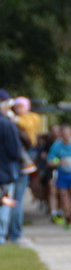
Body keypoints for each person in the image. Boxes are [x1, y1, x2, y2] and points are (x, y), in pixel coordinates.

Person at [47, 121, 71, 227]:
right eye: (63, 135)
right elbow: (50, 161)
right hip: (63, 173)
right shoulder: (56, 146)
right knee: (64, 198)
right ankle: (68, 217)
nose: (66, 137)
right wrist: (59, 162)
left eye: (68, 134)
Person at [0, 92, 22, 245]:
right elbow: (15, 151)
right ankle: (2, 236)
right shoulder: (7, 124)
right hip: (4, 172)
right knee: (4, 206)